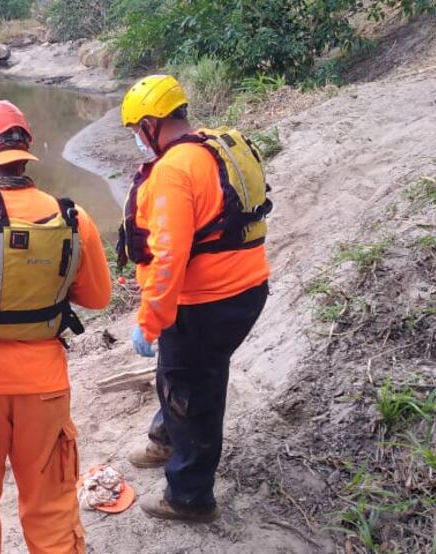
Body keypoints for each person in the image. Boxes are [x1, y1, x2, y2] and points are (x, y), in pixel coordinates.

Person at [0, 99, 112, 553]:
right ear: (23, 152)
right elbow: (97, 298)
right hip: (44, 385)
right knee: (51, 508)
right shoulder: (73, 218)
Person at [116, 75, 271, 522]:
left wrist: (149, 321)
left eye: (135, 130)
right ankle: (165, 440)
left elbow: (167, 259)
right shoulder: (213, 146)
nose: (137, 141)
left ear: (150, 124)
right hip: (246, 288)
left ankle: (189, 497)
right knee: (183, 374)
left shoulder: (172, 171)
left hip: (207, 301)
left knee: (192, 390)